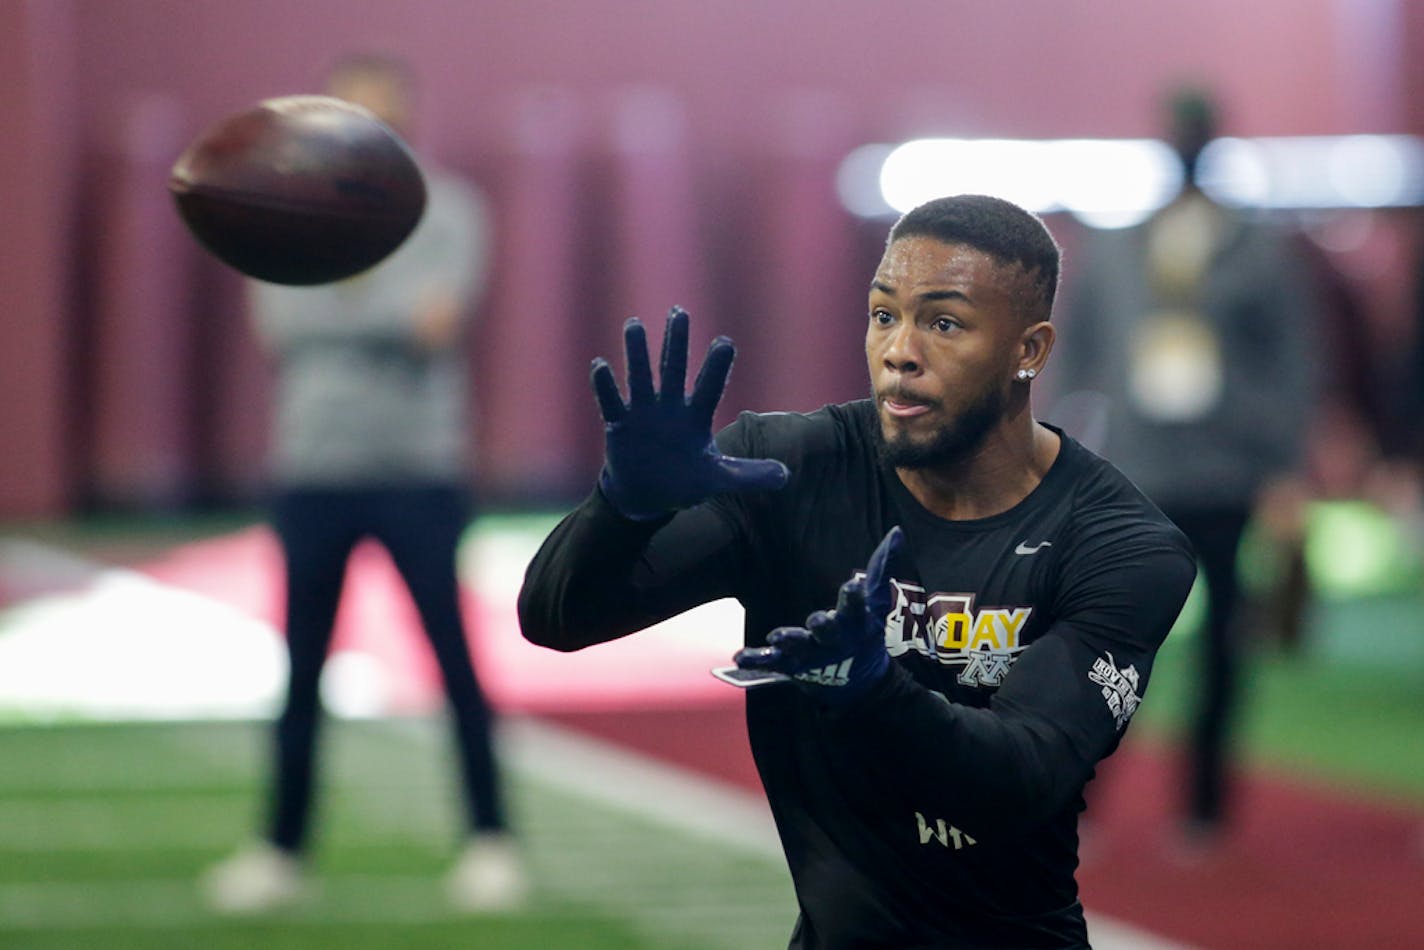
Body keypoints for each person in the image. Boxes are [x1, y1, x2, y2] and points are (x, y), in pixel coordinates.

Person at [518, 194, 1197, 948]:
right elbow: (557, 620)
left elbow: (1017, 780)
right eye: (883, 315)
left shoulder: (1119, 544)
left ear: (1029, 351)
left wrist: (872, 688)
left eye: (943, 323)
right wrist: (620, 510)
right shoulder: (787, 472)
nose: (899, 351)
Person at [202, 52, 526, 913]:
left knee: (452, 660)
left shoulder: (451, 209)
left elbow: (435, 323)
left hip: (421, 470)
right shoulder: (282, 207)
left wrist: (345, 304)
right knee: (301, 668)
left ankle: (491, 838)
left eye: (385, 112)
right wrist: (378, 308)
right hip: (312, 470)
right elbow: (283, 318)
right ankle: (280, 847)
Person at [1058, 87, 1319, 847]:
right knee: (1114, 638)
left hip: (1229, 467)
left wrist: (1284, 462)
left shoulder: (1257, 247)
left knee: (1224, 645)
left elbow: (1295, 357)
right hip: (1139, 467)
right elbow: (1080, 345)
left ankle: (1205, 808)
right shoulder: (1120, 244)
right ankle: (1080, 800)